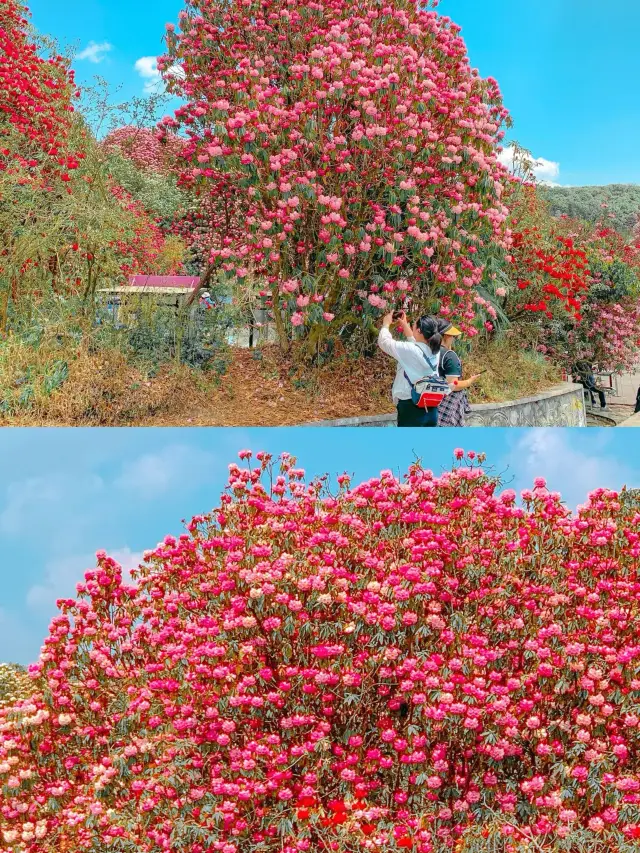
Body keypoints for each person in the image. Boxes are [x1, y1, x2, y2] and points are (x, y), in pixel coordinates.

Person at [377, 311, 445, 427]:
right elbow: (418, 345)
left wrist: (386, 324)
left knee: (409, 444)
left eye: (414, 324)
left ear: (419, 331)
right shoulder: (435, 351)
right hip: (431, 408)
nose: (412, 325)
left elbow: (384, 342)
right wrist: (405, 325)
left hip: (411, 407)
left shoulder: (410, 350)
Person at [435, 320, 481, 427]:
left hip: (430, 402)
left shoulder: (429, 350)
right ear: (446, 336)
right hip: (446, 406)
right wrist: (470, 381)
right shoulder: (449, 356)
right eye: (452, 336)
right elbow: (453, 384)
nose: (453, 339)